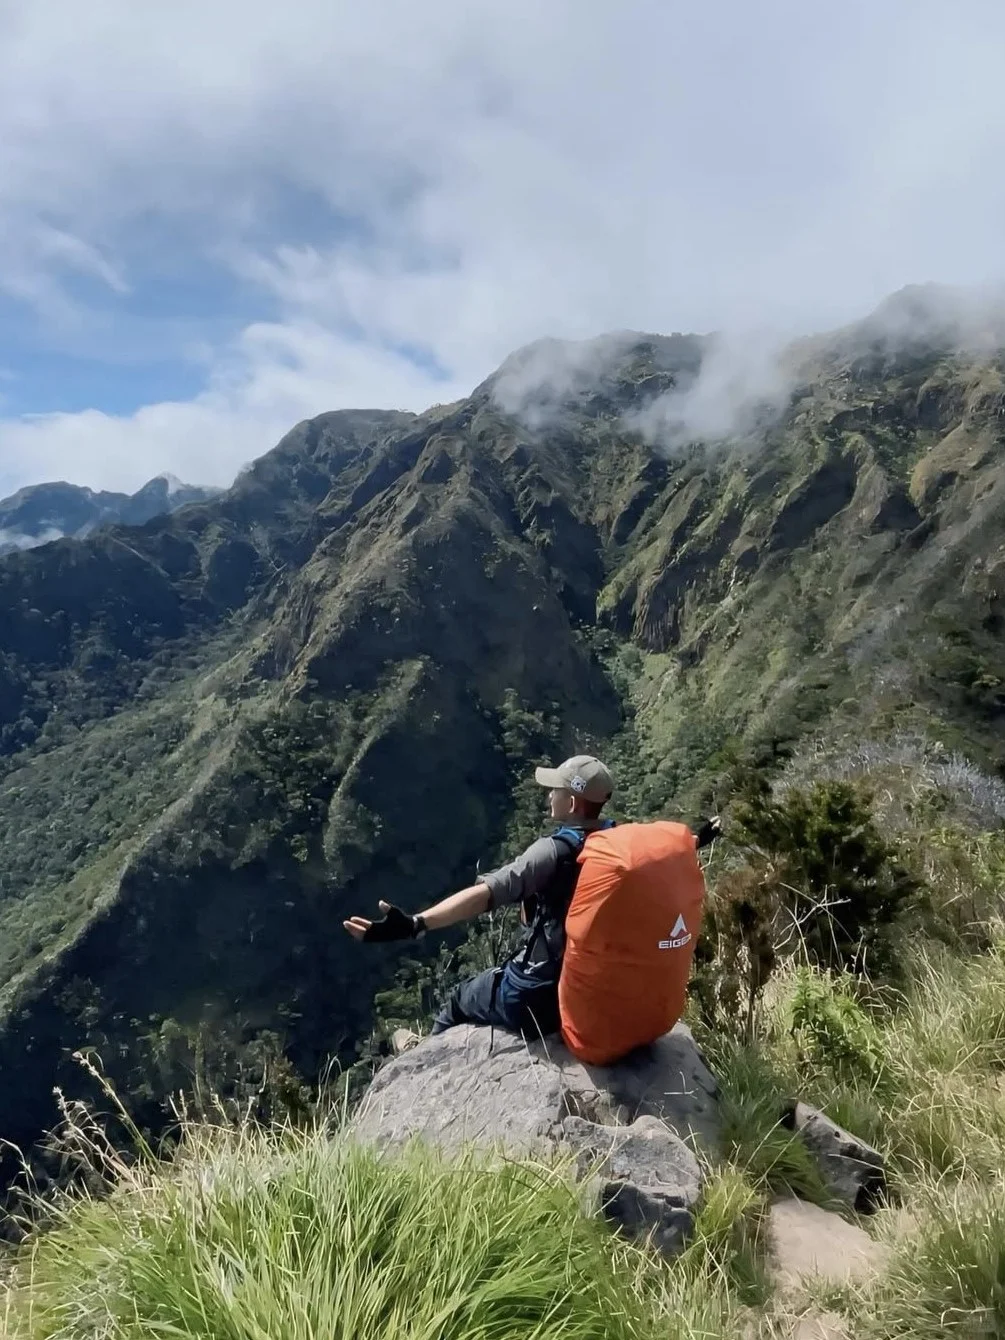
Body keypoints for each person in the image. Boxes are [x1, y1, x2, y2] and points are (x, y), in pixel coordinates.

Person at [343, 754, 616, 1043]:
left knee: (458, 999)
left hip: (538, 998)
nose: (549, 795)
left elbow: (484, 896)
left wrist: (416, 923)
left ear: (572, 803)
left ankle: (424, 1058)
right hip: (591, 989)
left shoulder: (554, 852)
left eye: (556, 790)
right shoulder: (616, 843)